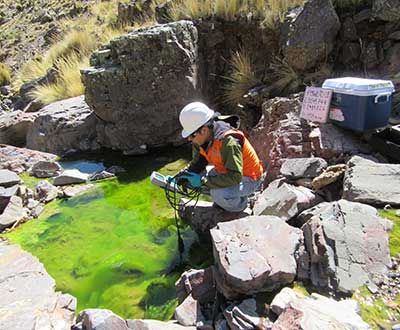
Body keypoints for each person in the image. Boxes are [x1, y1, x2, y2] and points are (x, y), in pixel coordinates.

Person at [177, 101, 264, 212]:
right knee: (196, 178)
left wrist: (203, 181)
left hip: (249, 178)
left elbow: (234, 177)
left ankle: (242, 205)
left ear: (203, 130)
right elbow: (199, 163)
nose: (189, 139)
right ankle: (226, 199)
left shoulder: (228, 141)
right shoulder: (201, 138)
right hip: (226, 171)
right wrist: (181, 177)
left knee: (217, 192)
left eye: (191, 135)